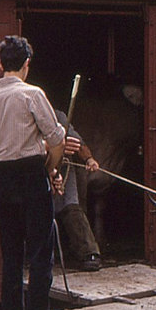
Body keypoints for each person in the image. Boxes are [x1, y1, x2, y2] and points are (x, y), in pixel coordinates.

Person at [0, 35, 71, 310]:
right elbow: (56, 139)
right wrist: (51, 168)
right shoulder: (33, 94)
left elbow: (4, 143)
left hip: (2, 180)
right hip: (32, 177)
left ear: (0, 64)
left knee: (11, 259)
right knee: (39, 257)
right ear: (27, 65)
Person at [52, 108, 103, 272]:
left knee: (71, 207)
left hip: (64, 168)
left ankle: (89, 253)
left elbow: (77, 143)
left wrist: (89, 159)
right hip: (38, 168)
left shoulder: (59, 117)